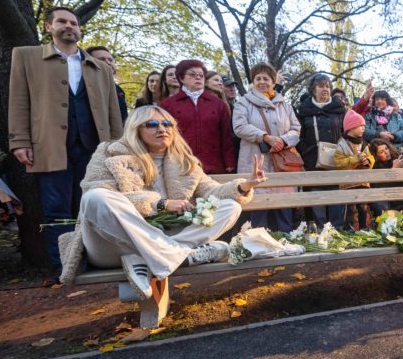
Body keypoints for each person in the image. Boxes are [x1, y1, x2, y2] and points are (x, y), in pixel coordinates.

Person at [58, 106, 265, 298]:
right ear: (135, 128)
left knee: (231, 206)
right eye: (152, 124)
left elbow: (211, 192)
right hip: (112, 246)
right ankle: (181, 256)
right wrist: (160, 203)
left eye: (167, 124)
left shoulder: (185, 162)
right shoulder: (108, 152)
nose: (162, 129)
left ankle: (156, 257)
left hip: (166, 238)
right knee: (95, 197)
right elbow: (96, 192)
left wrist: (244, 186)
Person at [8, 6, 124, 278]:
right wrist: (19, 141)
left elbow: (112, 112)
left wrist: (118, 148)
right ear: (49, 27)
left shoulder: (99, 67)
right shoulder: (26, 57)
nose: (69, 25)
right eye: (62, 21)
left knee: (91, 206)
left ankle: (93, 262)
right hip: (49, 147)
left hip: (95, 149)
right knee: (57, 209)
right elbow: (18, 102)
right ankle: (65, 267)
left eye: (73, 22)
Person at [233, 62, 301, 232]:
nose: (262, 82)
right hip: (255, 160)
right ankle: (258, 246)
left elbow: (296, 129)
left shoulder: (285, 105)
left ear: (273, 81)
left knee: (283, 208)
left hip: (282, 163)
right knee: (258, 210)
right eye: (258, 78)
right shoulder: (243, 102)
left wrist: (282, 141)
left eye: (266, 78)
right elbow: (239, 127)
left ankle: (285, 243)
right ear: (253, 81)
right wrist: (265, 137)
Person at [161, 60, 235, 175]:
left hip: (213, 165)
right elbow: (164, 137)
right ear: (181, 78)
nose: (198, 78)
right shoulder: (168, 105)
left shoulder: (218, 104)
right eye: (192, 75)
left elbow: (226, 136)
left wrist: (229, 162)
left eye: (201, 75)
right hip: (181, 165)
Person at [296, 74, 346, 228]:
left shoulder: (339, 110)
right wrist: (307, 152)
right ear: (313, 89)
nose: (325, 89)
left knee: (337, 202)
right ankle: (322, 236)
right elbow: (298, 135)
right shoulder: (304, 111)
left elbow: (347, 133)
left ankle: (338, 235)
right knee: (317, 202)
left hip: (336, 162)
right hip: (312, 162)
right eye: (320, 86)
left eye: (327, 86)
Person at [335, 110, 375, 230]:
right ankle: (349, 229)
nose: (363, 129)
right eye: (360, 126)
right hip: (348, 184)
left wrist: (368, 162)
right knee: (350, 209)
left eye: (364, 126)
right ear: (351, 128)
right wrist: (355, 159)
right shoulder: (342, 144)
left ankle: (364, 228)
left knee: (363, 207)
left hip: (362, 182)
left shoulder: (363, 144)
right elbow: (339, 163)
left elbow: (371, 157)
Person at [86, 46, 128, 123]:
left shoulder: (119, 91)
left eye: (110, 60)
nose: (108, 62)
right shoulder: (82, 88)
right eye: (101, 59)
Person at [368, 138, 403, 217]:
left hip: (401, 196)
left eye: (386, 148)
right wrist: (393, 170)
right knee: (379, 203)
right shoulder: (374, 167)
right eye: (381, 152)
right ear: (375, 156)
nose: (386, 152)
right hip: (386, 198)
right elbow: (378, 188)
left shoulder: (396, 159)